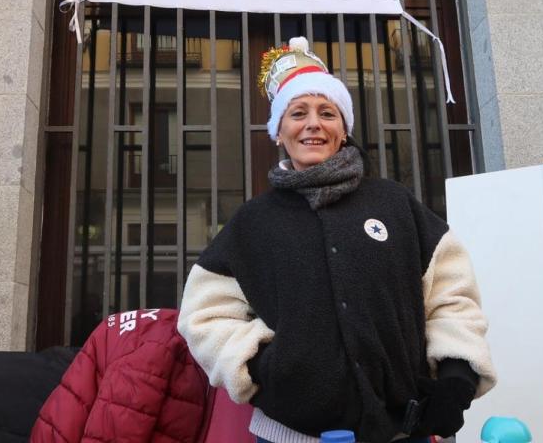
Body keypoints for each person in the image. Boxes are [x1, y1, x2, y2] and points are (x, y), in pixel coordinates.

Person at [178, 37, 496, 443]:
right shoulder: (252, 223)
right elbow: (203, 316)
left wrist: (456, 376)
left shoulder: (395, 204)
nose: (313, 123)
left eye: (327, 113)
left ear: (343, 130)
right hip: (288, 435)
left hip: (403, 432)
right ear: (279, 132)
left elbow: (452, 296)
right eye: (298, 113)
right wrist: (262, 367)